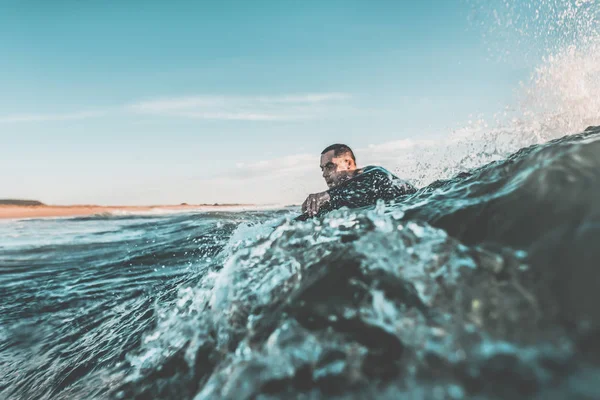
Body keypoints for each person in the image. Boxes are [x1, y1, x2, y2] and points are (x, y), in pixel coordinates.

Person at [299, 144, 417, 219]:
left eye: (330, 166)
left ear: (349, 164)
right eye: (322, 168)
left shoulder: (373, 173)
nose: (324, 174)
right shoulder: (343, 196)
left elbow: (372, 182)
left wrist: (329, 195)